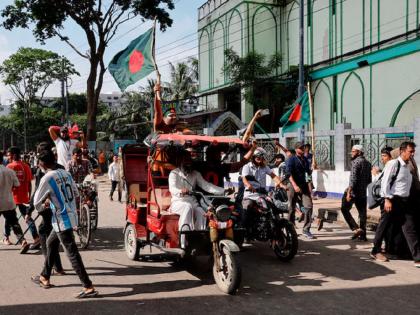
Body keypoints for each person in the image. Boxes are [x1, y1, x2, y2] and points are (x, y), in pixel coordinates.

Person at [32, 150, 98, 297]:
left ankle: (88, 286)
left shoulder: (47, 178)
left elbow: (36, 203)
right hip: (69, 216)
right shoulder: (65, 173)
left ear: (42, 163)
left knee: (72, 253)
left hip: (62, 219)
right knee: (50, 243)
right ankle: (44, 276)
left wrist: (45, 206)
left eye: (39, 163)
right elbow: (75, 193)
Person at [168, 151, 225, 248]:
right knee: (187, 207)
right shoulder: (174, 173)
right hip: (178, 202)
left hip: (192, 201)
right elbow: (172, 188)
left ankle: (198, 238)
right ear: (181, 161)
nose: (188, 163)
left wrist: (223, 190)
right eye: (186, 160)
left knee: (201, 212)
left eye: (190, 161)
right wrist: (181, 191)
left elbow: (206, 186)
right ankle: (183, 240)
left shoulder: (195, 174)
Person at [378, 142, 420, 267]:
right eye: (410, 151)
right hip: (393, 200)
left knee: (408, 227)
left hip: (406, 200)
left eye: (413, 152)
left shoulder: (407, 165)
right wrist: (387, 199)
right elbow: (385, 182)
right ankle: (378, 249)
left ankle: (416, 257)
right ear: (401, 152)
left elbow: (411, 183)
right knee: (387, 226)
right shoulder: (395, 164)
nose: (412, 154)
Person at [28, 143, 65, 273]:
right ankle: (56, 267)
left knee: (45, 233)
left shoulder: (43, 172)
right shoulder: (61, 168)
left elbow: (38, 192)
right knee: (53, 236)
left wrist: (30, 210)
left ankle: (49, 268)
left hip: (49, 208)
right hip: (62, 209)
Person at [6, 146, 40, 248]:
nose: (8, 156)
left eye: (9, 154)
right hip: (24, 197)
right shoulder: (26, 166)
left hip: (11, 197)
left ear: (13, 155)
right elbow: (29, 183)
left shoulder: (9, 167)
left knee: (9, 219)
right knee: (28, 217)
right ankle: (36, 237)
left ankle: (6, 238)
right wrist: (29, 196)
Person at [241, 148, 282, 232]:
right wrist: (248, 185)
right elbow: (244, 178)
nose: (260, 159)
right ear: (253, 157)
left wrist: (281, 184)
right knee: (247, 207)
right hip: (250, 195)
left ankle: (275, 225)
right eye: (258, 157)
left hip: (262, 195)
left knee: (274, 206)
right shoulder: (247, 166)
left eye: (261, 157)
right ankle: (244, 231)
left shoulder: (264, 167)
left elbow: (273, 175)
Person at [0, 150, 30, 252]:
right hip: (8, 201)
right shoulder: (10, 171)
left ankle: (7, 238)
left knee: (12, 222)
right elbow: (17, 185)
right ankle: (23, 241)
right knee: (14, 223)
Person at [284, 142, 315, 238]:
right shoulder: (291, 159)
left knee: (309, 206)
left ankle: (306, 229)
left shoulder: (306, 160)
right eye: (301, 148)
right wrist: (294, 185)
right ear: (296, 149)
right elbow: (288, 174)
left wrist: (310, 189)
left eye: (304, 147)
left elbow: (308, 174)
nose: (303, 149)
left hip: (304, 185)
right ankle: (289, 228)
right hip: (292, 184)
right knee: (291, 208)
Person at [341, 145, 372, 241]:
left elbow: (353, 179)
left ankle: (355, 228)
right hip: (362, 193)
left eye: (353, 151)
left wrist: (349, 192)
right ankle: (363, 236)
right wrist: (362, 188)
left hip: (353, 192)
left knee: (344, 209)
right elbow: (369, 180)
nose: (352, 153)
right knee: (362, 214)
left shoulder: (356, 162)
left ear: (359, 152)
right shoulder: (368, 163)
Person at [370, 147, 394, 261]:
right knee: (384, 224)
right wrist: (375, 175)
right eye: (382, 156)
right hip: (386, 200)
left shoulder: (391, 166)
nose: (382, 158)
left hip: (391, 199)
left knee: (389, 225)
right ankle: (375, 250)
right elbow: (381, 184)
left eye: (384, 156)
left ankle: (389, 247)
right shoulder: (388, 167)